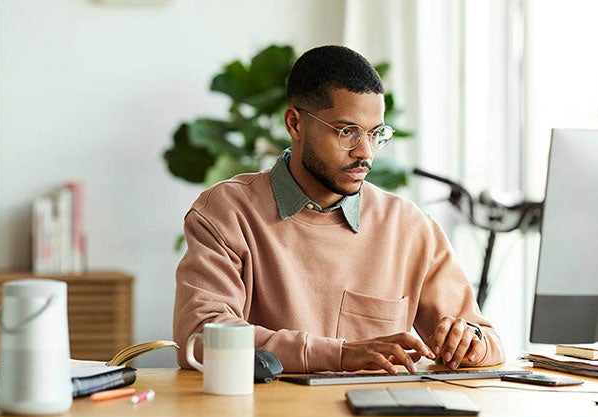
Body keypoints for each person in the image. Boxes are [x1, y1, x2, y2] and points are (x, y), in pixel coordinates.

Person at [173, 45, 505, 374]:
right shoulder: (226, 213)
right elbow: (201, 339)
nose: (366, 153)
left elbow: (488, 340)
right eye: (347, 132)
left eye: (376, 134)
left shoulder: (408, 226)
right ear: (295, 124)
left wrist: (470, 342)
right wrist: (340, 355)